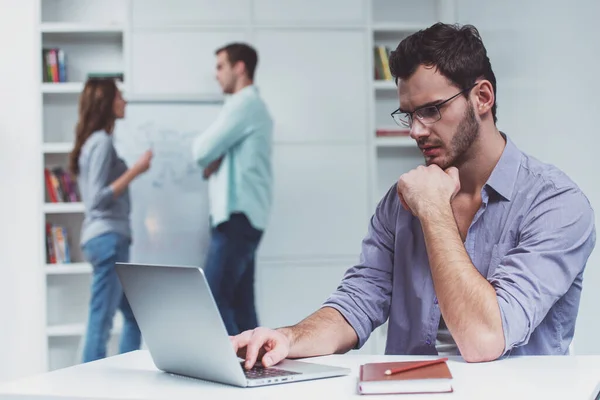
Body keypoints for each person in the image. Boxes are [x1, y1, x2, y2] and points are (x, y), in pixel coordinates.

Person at [230, 23, 596, 369]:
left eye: (431, 110)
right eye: (408, 115)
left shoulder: (556, 205)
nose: (416, 131)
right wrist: (288, 338)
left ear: (482, 97)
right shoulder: (400, 201)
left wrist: (434, 210)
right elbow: (359, 300)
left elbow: (484, 338)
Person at [192, 43, 274, 336]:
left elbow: (201, 151)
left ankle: (231, 371)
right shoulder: (249, 108)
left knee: (212, 300)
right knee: (241, 307)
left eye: (220, 66)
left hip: (236, 218)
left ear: (240, 68)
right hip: (245, 218)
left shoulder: (245, 105)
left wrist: (214, 154)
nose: (216, 75)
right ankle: (257, 370)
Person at [69, 79, 153, 362]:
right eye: (120, 96)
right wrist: (136, 170)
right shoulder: (102, 142)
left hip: (107, 238)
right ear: (106, 102)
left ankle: (124, 375)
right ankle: (88, 385)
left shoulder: (95, 142)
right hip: (107, 239)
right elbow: (96, 199)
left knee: (134, 317)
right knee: (101, 319)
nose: (124, 102)